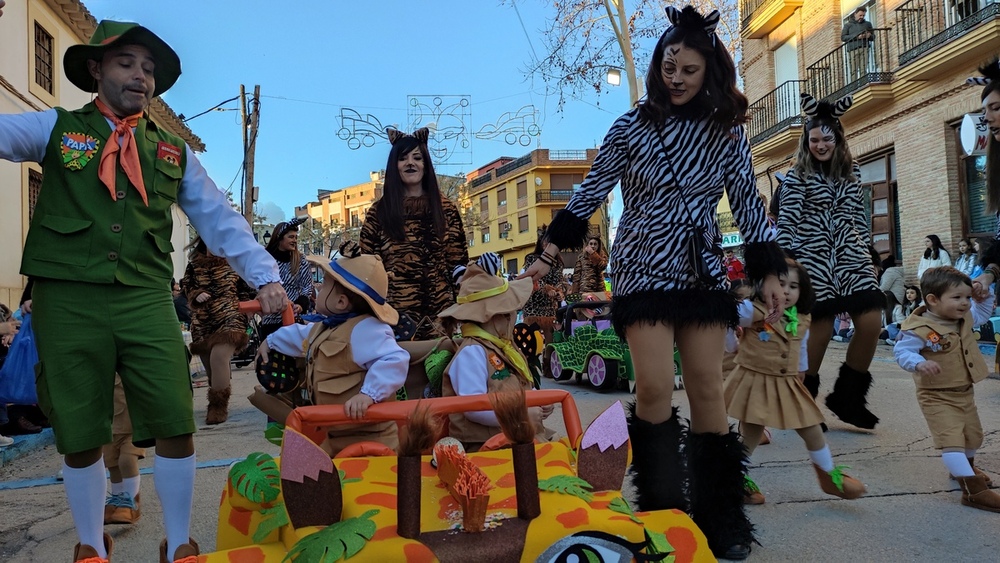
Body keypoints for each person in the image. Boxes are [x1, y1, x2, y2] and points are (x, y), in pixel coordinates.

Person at [0, 16, 288, 563]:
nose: (140, 76)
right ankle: (90, 544)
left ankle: (179, 542)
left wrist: (266, 275)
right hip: (67, 299)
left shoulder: (173, 152)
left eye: (149, 69)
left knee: (175, 417)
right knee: (81, 430)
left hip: (145, 297)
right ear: (96, 70)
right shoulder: (56, 128)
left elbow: (219, 218)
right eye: (126, 63)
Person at [521, 7, 787, 559]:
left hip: (702, 272)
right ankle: (663, 511)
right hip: (642, 270)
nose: (677, 77)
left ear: (708, 72)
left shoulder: (725, 134)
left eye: (689, 69)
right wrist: (545, 255)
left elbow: (748, 205)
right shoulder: (629, 128)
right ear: (658, 63)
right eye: (669, 65)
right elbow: (589, 194)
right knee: (653, 390)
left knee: (709, 388)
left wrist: (768, 273)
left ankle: (721, 518)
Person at [775, 92, 885, 430]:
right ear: (806, 142)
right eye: (814, 139)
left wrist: (869, 252)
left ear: (838, 138)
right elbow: (786, 224)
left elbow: (858, 215)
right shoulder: (796, 177)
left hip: (852, 258)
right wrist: (788, 264)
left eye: (827, 138)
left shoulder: (853, 173)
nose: (821, 145)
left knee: (871, 324)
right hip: (813, 260)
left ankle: (847, 398)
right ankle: (801, 403)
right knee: (818, 334)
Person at [725, 258, 866, 504]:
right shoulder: (755, 309)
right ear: (766, 286)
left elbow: (799, 345)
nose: (787, 291)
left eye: (794, 286)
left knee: (811, 427)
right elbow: (724, 316)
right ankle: (731, 480)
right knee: (751, 433)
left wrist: (801, 369)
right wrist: (731, 345)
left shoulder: (802, 317)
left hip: (788, 381)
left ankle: (829, 478)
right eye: (781, 284)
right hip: (755, 379)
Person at [258, 241, 408, 456]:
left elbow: (394, 360)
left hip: (371, 437)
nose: (318, 289)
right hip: (336, 434)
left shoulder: (366, 329)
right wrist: (271, 341)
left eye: (325, 285)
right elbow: (300, 334)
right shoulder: (326, 326)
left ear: (340, 302)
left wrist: (369, 394)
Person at [893, 266, 1000, 511]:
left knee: (973, 437)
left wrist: (985, 294)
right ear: (932, 299)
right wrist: (919, 363)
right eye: (957, 298)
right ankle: (973, 491)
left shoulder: (962, 316)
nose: (965, 303)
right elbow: (902, 352)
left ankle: (965, 469)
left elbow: (983, 312)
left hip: (964, 392)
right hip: (936, 396)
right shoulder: (918, 328)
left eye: (967, 298)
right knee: (951, 441)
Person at [360, 128, 469, 340]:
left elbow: (458, 263)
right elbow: (368, 266)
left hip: (441, 316)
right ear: (394, 166)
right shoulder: (378, 212)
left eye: (417, 157)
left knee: (440, 369)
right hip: (393, 319)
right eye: (403, 158)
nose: (411, 163)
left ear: (426, 165)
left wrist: (463, 309)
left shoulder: (447, 209)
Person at [439, 254, 551, 451]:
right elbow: (473, 407)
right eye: (507, 314)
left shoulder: (502, 346)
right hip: (486, 449)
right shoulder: (471, 353)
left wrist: (537, 400)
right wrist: (521, 414)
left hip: (515, 439)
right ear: (488, 317)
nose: (512, 318)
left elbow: (516, 385)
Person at [182, 237, 257, 424]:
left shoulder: (235, 265)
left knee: (219, 357)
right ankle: (217, 394)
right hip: (203, 322)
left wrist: (249, 309)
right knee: (210, 365)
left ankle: (218, 408)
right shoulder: (193, 266)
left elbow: (246, 289)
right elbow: (187, 288)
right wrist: (195, 294)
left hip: (230, 316)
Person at [260, 217, 314, 339]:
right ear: (280, 238)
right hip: (270, 319)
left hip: (292, 317)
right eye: (291, 237)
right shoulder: (264, 260)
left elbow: (307, 286)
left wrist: (301, 304)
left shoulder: (301, 261)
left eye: (296, 237)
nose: (295, 240)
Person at [102, 375, 145, 525]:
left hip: (132, 426)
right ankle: (118, 499)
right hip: (109, 427)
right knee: (113, 465)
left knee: (126, 461)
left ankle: (130, 502)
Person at [521, 230, 568, 346]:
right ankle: (531, 360)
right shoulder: (531, 258)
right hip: (533, 303)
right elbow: (533, 278)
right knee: (531, 336)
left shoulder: (558, 262)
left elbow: (560, 281)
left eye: (549, 242)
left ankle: (548, 360)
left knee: (550, 335)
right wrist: (547, 289)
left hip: (549, 304)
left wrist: (559, 292)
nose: (546, 244)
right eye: (544, 241)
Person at [841, 6, 874, 81]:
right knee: (853, 70)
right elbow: (843, 37)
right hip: (852, 49)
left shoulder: (867, 24)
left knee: (863, 69)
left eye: (863, 15)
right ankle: (854, 87)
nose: (861, 17)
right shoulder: (848, 25)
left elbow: (873, 36)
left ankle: (863, 84)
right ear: (855, 14)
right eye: (860, 15)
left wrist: (869, 36)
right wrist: (857, 37)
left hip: (864, 47)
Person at [879, 255, 905, 326]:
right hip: (896, 297)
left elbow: (884, 287)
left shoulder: (889, 272)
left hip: (891, 298)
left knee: (891, 316)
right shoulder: (895, 272)